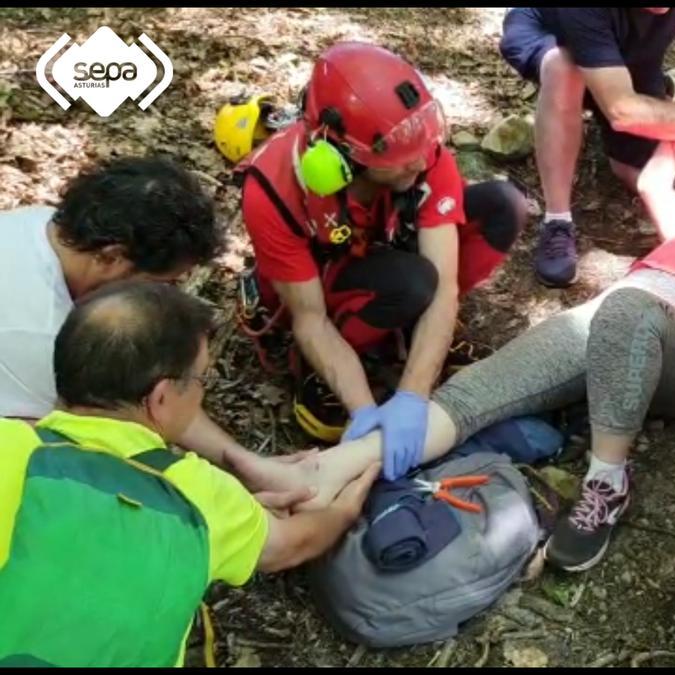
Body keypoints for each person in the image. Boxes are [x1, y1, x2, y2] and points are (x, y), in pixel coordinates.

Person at [231, 95, 675, 576]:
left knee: (630, 309)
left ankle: (606, 484)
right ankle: (325, 474)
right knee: (473, 389)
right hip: (613, 320)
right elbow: (658, 181)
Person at [0, 281, 377, 667]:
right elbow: (289, 545)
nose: (203, 392)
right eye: (202, 380)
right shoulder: (193, 495)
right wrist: (344, 511)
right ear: (161, 399)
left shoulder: (8, 439)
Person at [236, 41, 528, 480]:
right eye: (399, 159)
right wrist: (363, 410)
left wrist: (413, 394)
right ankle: (335, 368)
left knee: (501, 209)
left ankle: (409, 333)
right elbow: (310, 318)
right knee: (411, 283)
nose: (419, 162)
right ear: (341, 158)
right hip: (320, 285)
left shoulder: (420, 152)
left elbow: (446, 283)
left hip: (382, 252)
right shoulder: (273, 192)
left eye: (421, 146)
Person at [0, 156, 270, 475]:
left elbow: (143, 392)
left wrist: (242, 461)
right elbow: (77, 448)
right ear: (112, 256)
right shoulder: (39, 334)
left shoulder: (46, 224)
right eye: (161, 284)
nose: (160, 298)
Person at [499, 7, 675, 287]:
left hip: (627, 55)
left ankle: (638, 94)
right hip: (551, 35)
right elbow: (623, 112)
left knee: (635, 168)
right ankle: (557, 220)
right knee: (565, 70)